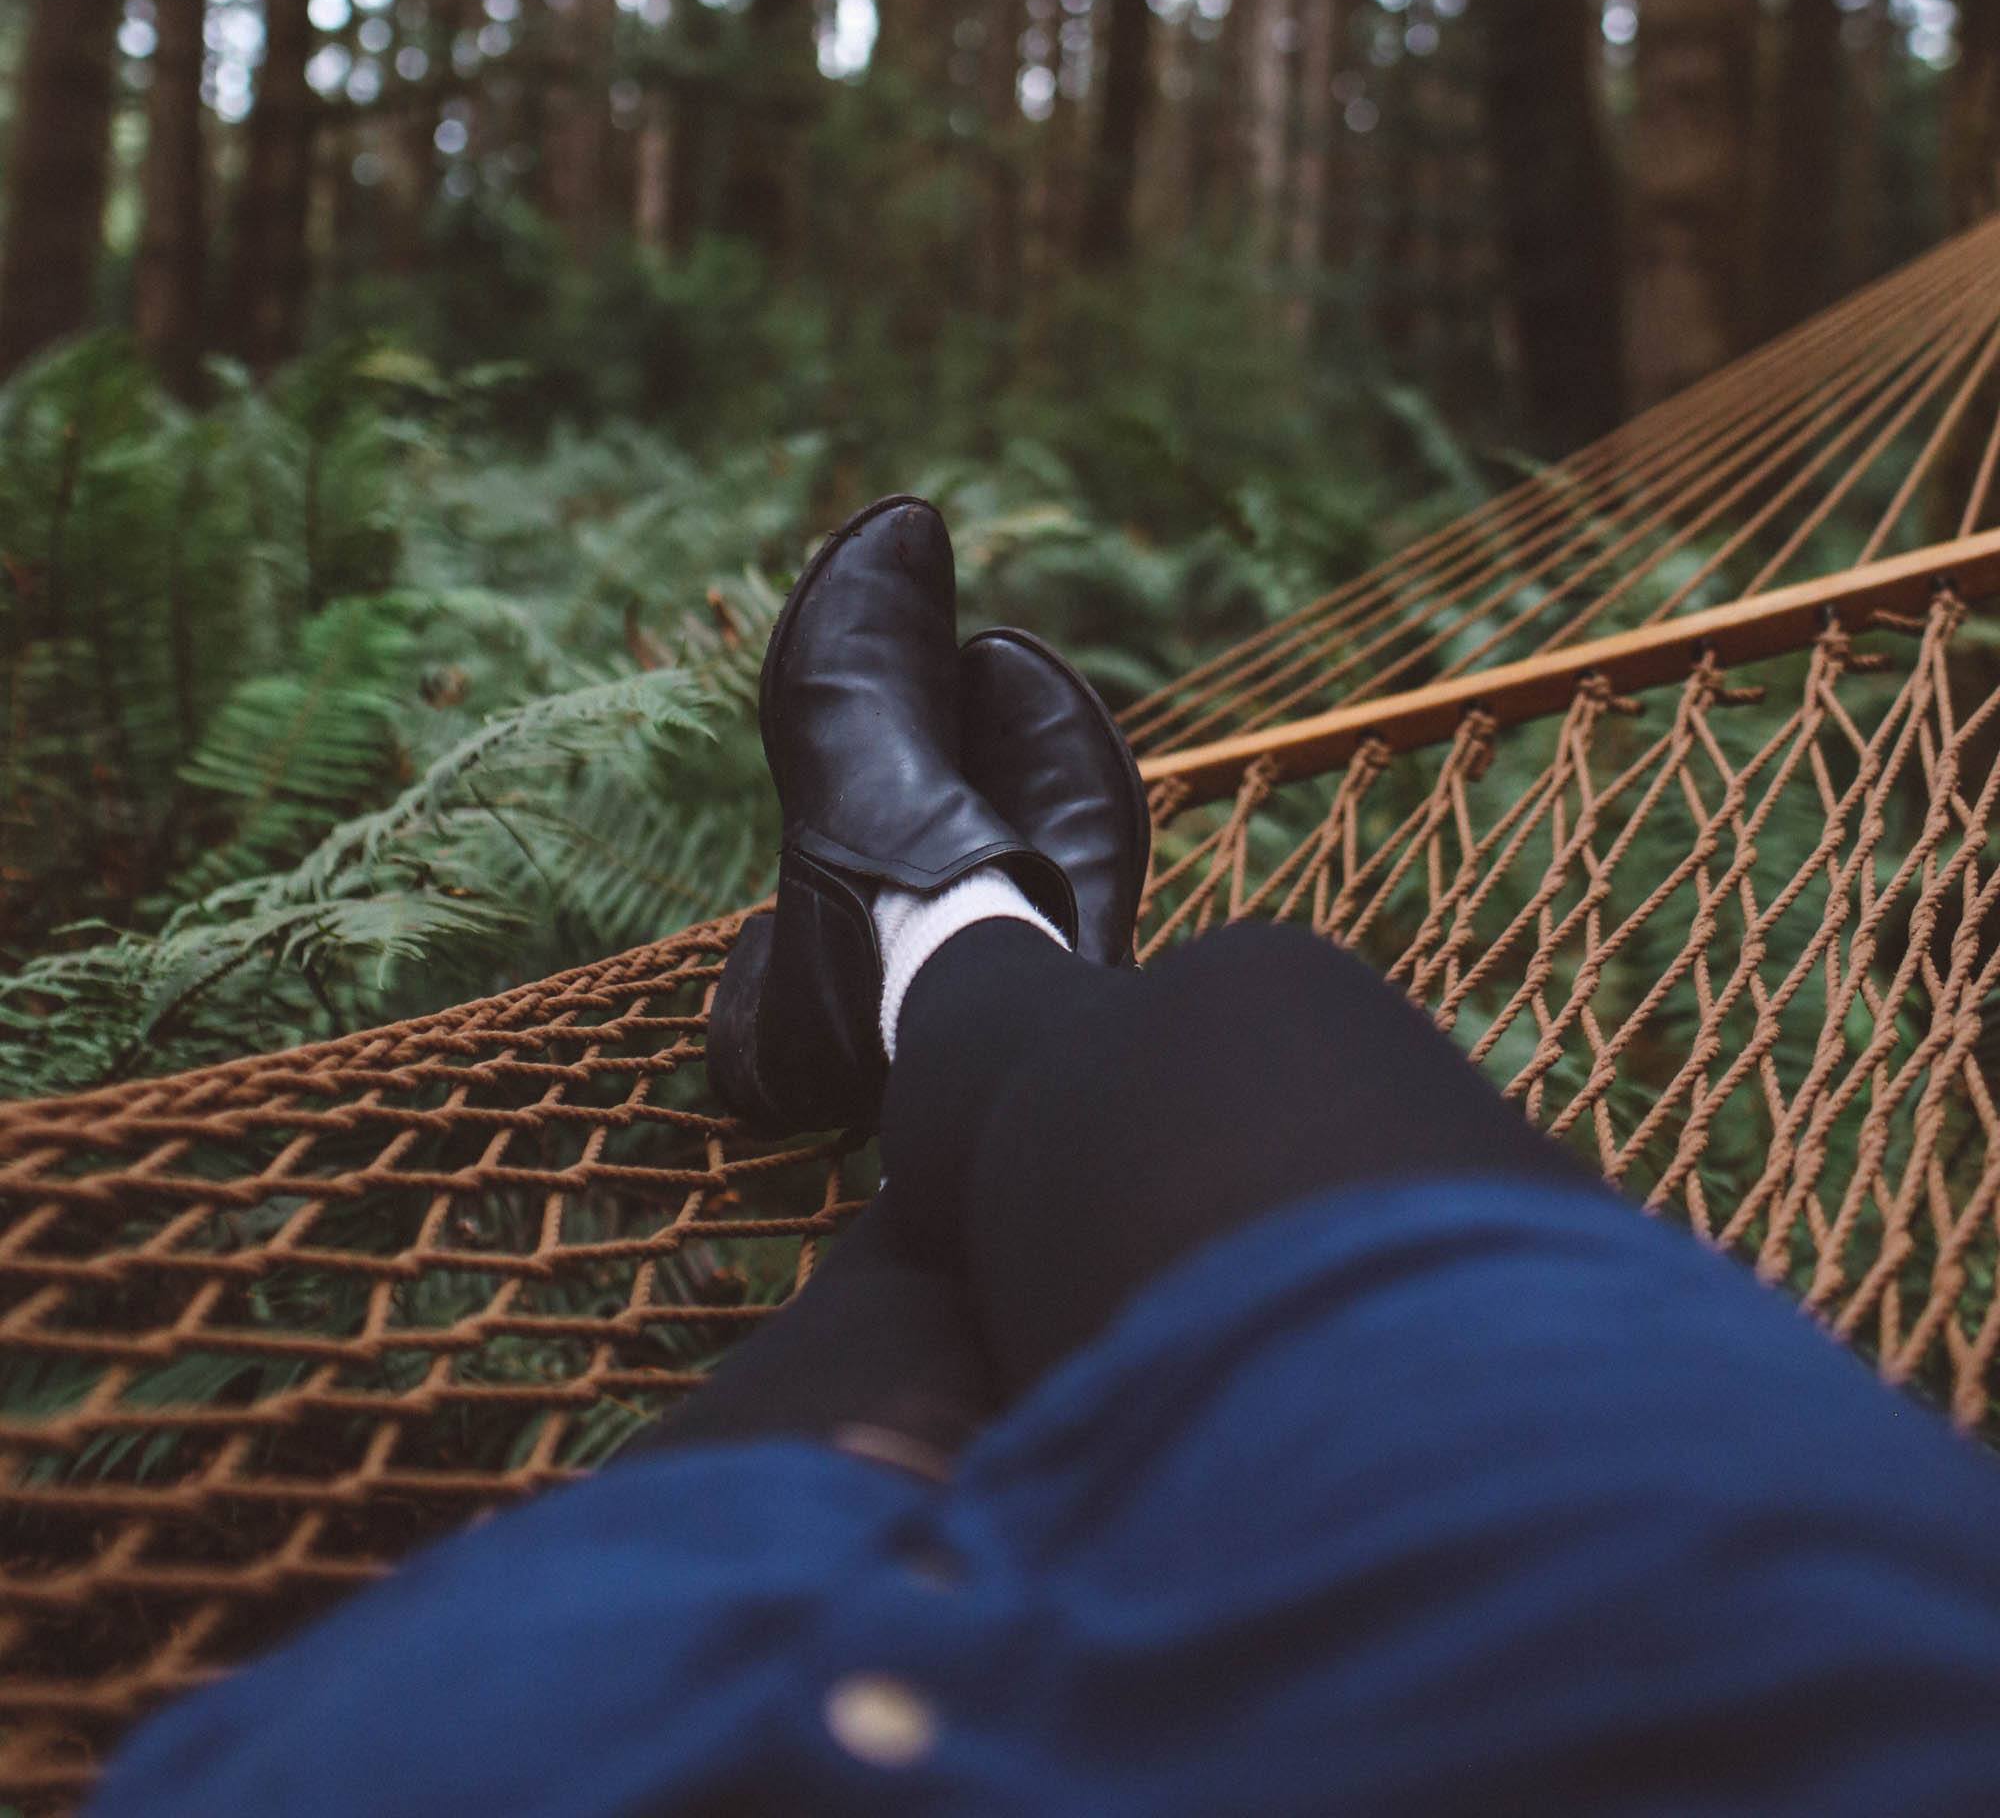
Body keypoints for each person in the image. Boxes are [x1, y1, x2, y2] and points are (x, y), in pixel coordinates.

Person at [95, 499, 2000, 1815]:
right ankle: (970, 960)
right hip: (1685, 1653)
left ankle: (934, 932)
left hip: (572, 1741)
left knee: (1215, 1041)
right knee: (1222, 1022)